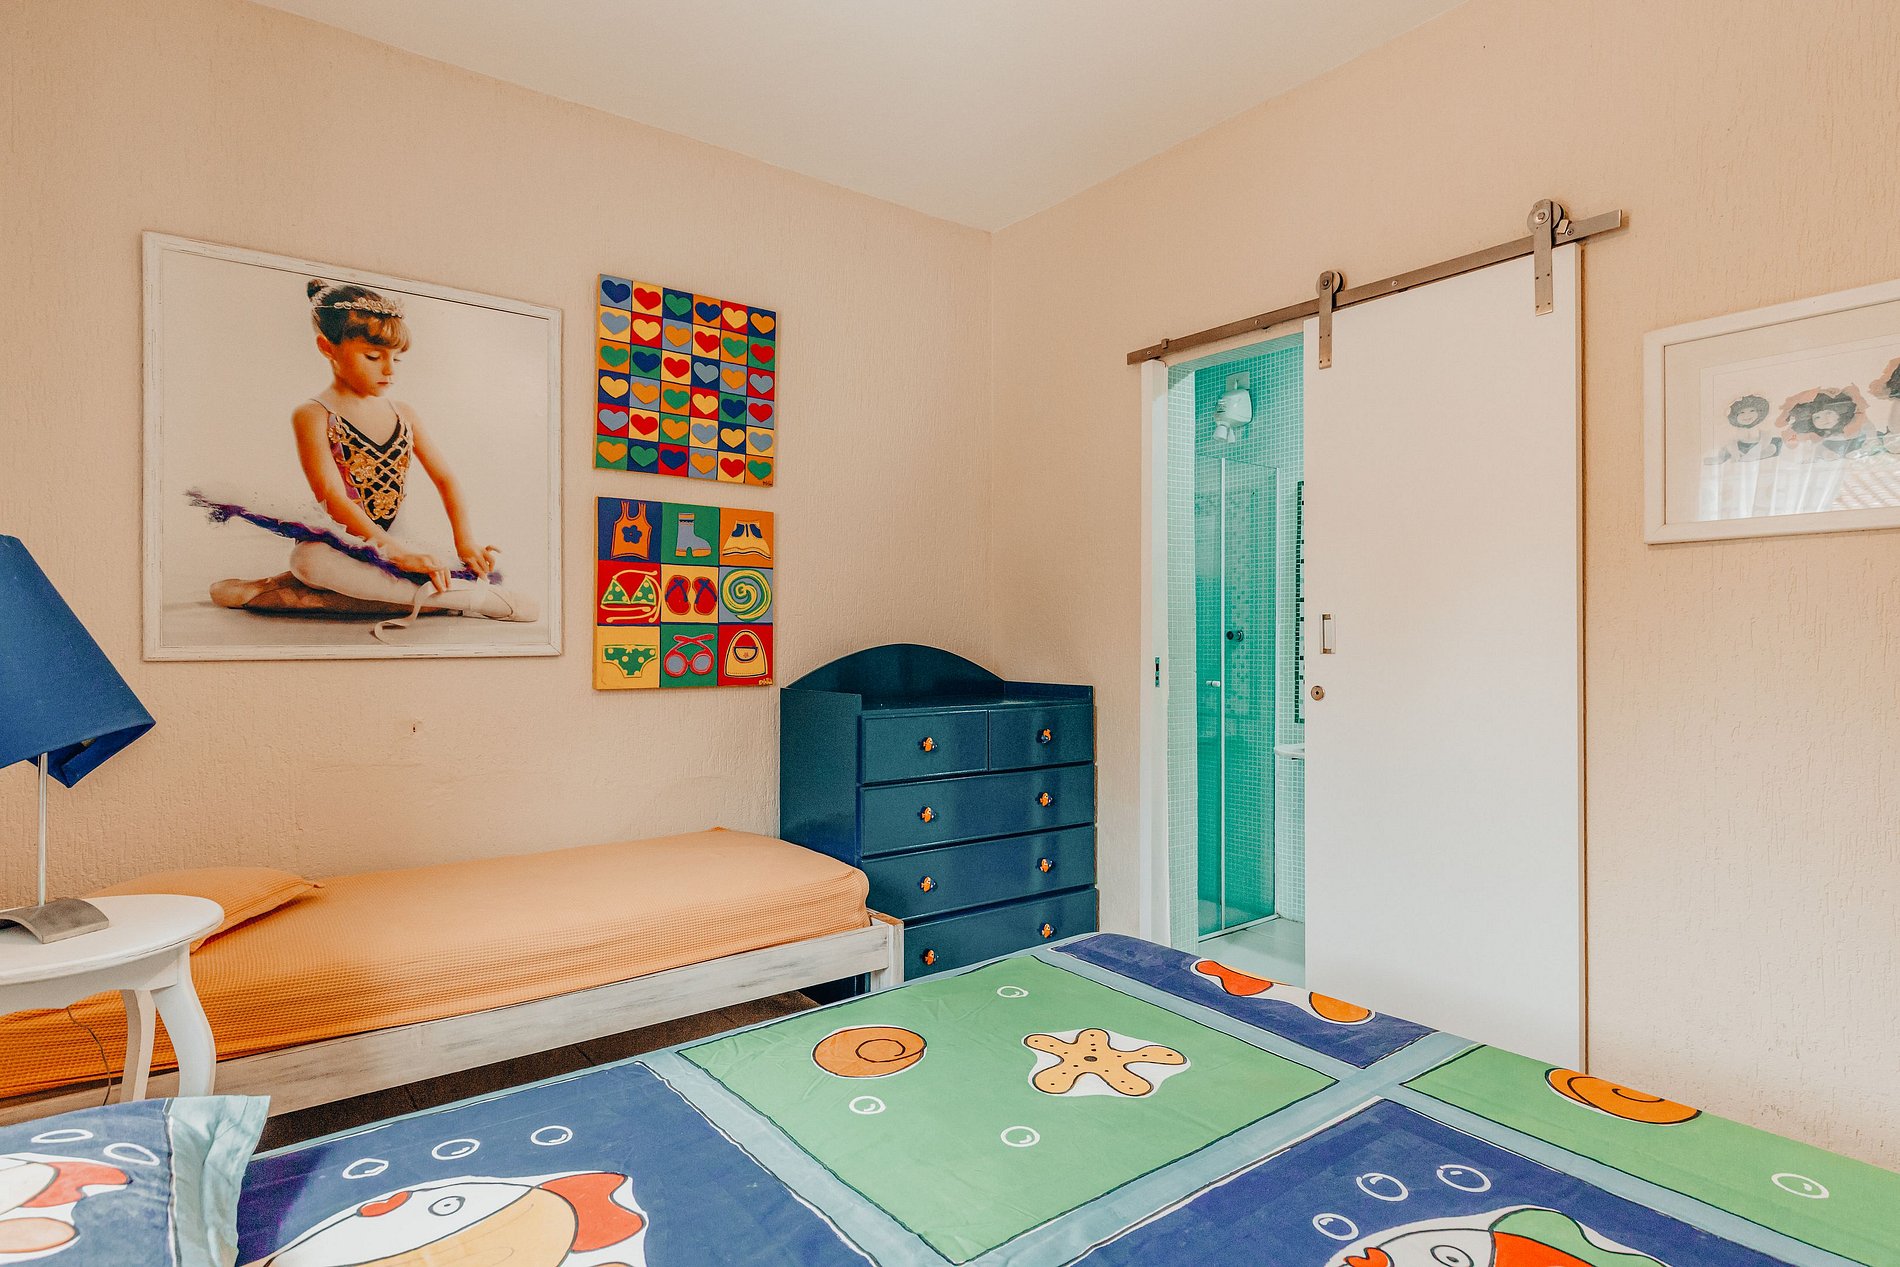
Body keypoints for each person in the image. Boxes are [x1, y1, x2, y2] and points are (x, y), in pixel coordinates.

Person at [210, 281, 535, 626]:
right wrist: (395, 555)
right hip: (345, 543)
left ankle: (291, 595)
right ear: (327, 348)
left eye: (396, 358)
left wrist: (465, 542)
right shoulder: (313, 414)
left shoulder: (404, 413)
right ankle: (463, 600)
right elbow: (332, 495)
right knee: (308, 561)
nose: (389, 370)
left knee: (397, 566)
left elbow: (446, 479)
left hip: (399, 539)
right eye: (373, 357)